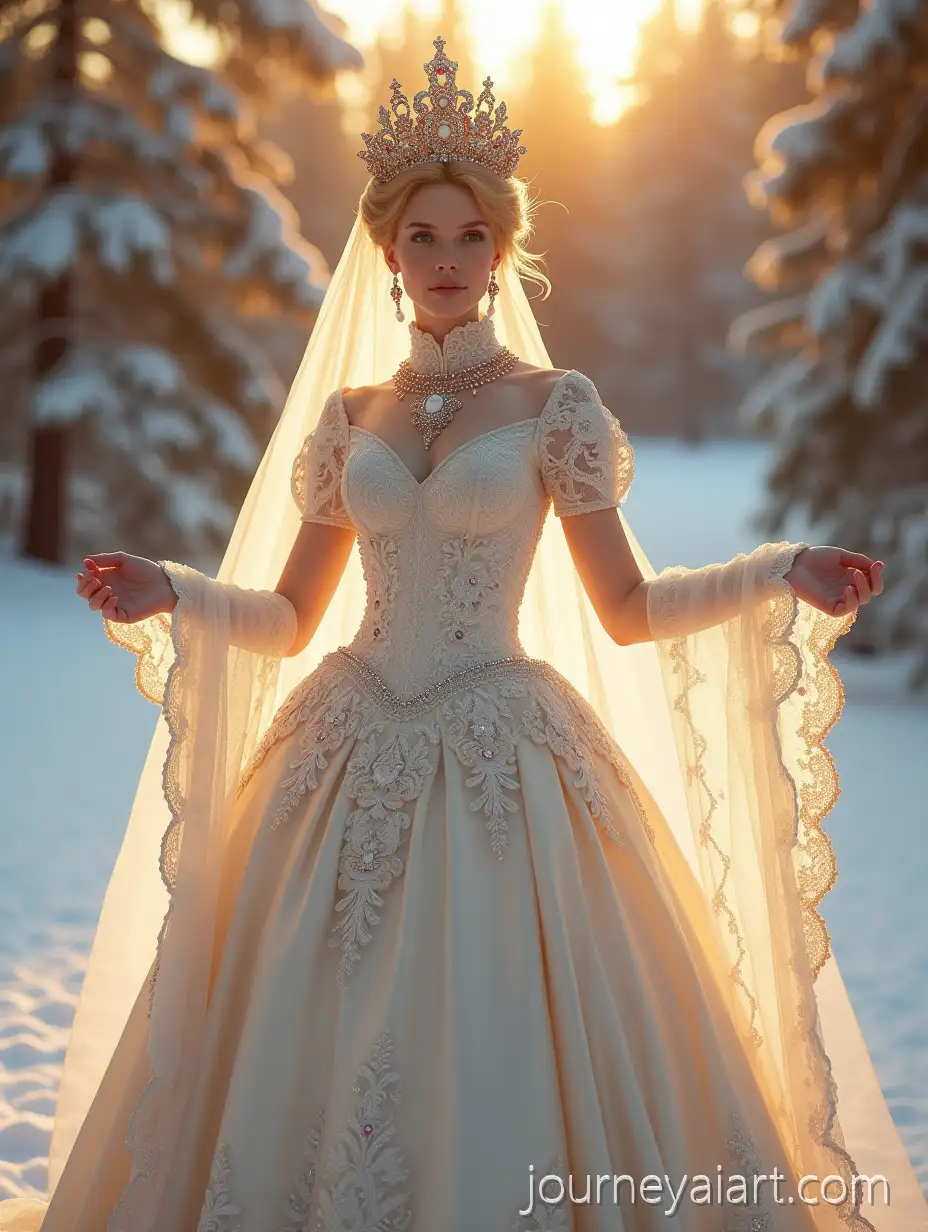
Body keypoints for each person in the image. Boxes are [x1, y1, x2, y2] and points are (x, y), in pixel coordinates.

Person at [3, 35, 925, 1232]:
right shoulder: (347, 417)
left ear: (503, 249)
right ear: (388, 253)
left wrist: (773, 569)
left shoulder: (556, 407)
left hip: (507, 754)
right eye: (424, 237)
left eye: (471, 235)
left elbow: (629, 609)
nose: (448, 259)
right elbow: (286, 617)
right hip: (342, 745)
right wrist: (173, 588)